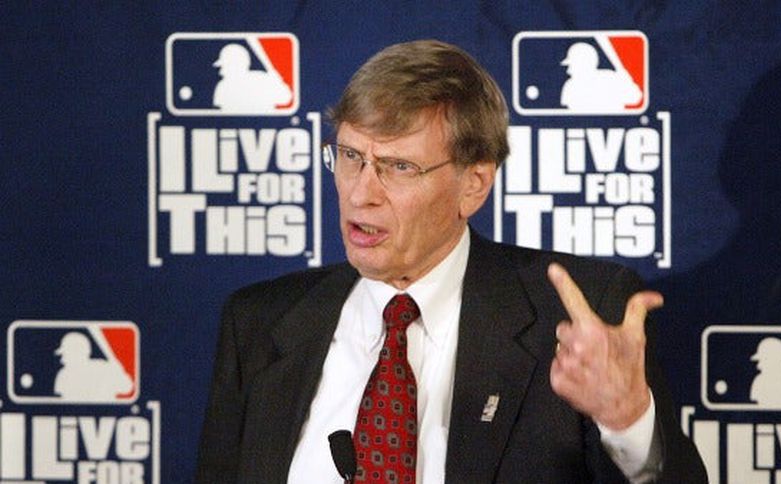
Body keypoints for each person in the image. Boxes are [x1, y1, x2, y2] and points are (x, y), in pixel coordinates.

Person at [196, 39, 706, 483]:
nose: (360, 193)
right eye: (350, 156)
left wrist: (627, 422)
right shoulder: (259, 323)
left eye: (398, 166)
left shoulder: (577, 318)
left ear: (473, 185)